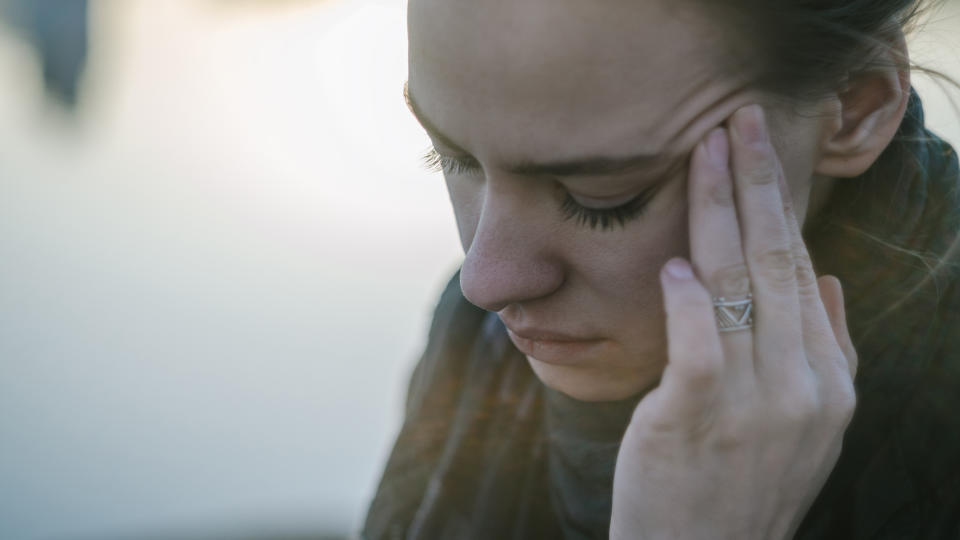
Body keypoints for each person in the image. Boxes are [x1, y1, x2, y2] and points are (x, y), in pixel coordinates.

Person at [364, 0, 960, 538]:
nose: (484, 283)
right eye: (451, 156)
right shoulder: (477, 350)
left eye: (602, 195)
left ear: (856, 105)